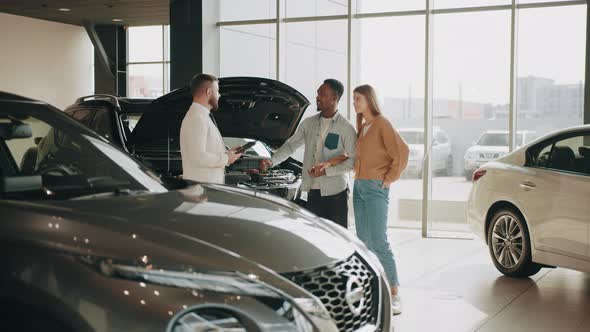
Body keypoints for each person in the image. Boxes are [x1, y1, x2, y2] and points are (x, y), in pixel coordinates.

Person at [318, 84, 408, 315]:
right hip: (359, 186)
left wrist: (388, 179)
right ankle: (374, 286)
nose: (354, 103)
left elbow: (402, 151)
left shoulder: (382, 123)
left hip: (375, 187)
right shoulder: (364, 127)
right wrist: (331, 163)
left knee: (379, 240)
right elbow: (352, 155)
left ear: (369, 100)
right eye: (354, 99)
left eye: (358, 99)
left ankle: (395, 292)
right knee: (364, 240)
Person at [259, 79, 357, 228]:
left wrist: (327, 171)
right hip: (313, 191)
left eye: (322, 94)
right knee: (315, 238)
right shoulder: (308, 123)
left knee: (336, 240)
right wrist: (272, 161)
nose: (317, 97)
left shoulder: (346, 127)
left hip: (337, 193)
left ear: (334, 98)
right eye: (318, 93)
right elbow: (291, 146)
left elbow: (353, 161)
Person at [180, 74, 241, 184]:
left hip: (208, 188)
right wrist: (226, 159)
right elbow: (198, 157)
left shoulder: (202, 117)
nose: (219, 95)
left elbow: (205, 152)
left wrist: (228, 154)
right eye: (217, 91)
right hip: (201, 191)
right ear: (208, 92)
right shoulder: (196, 118)